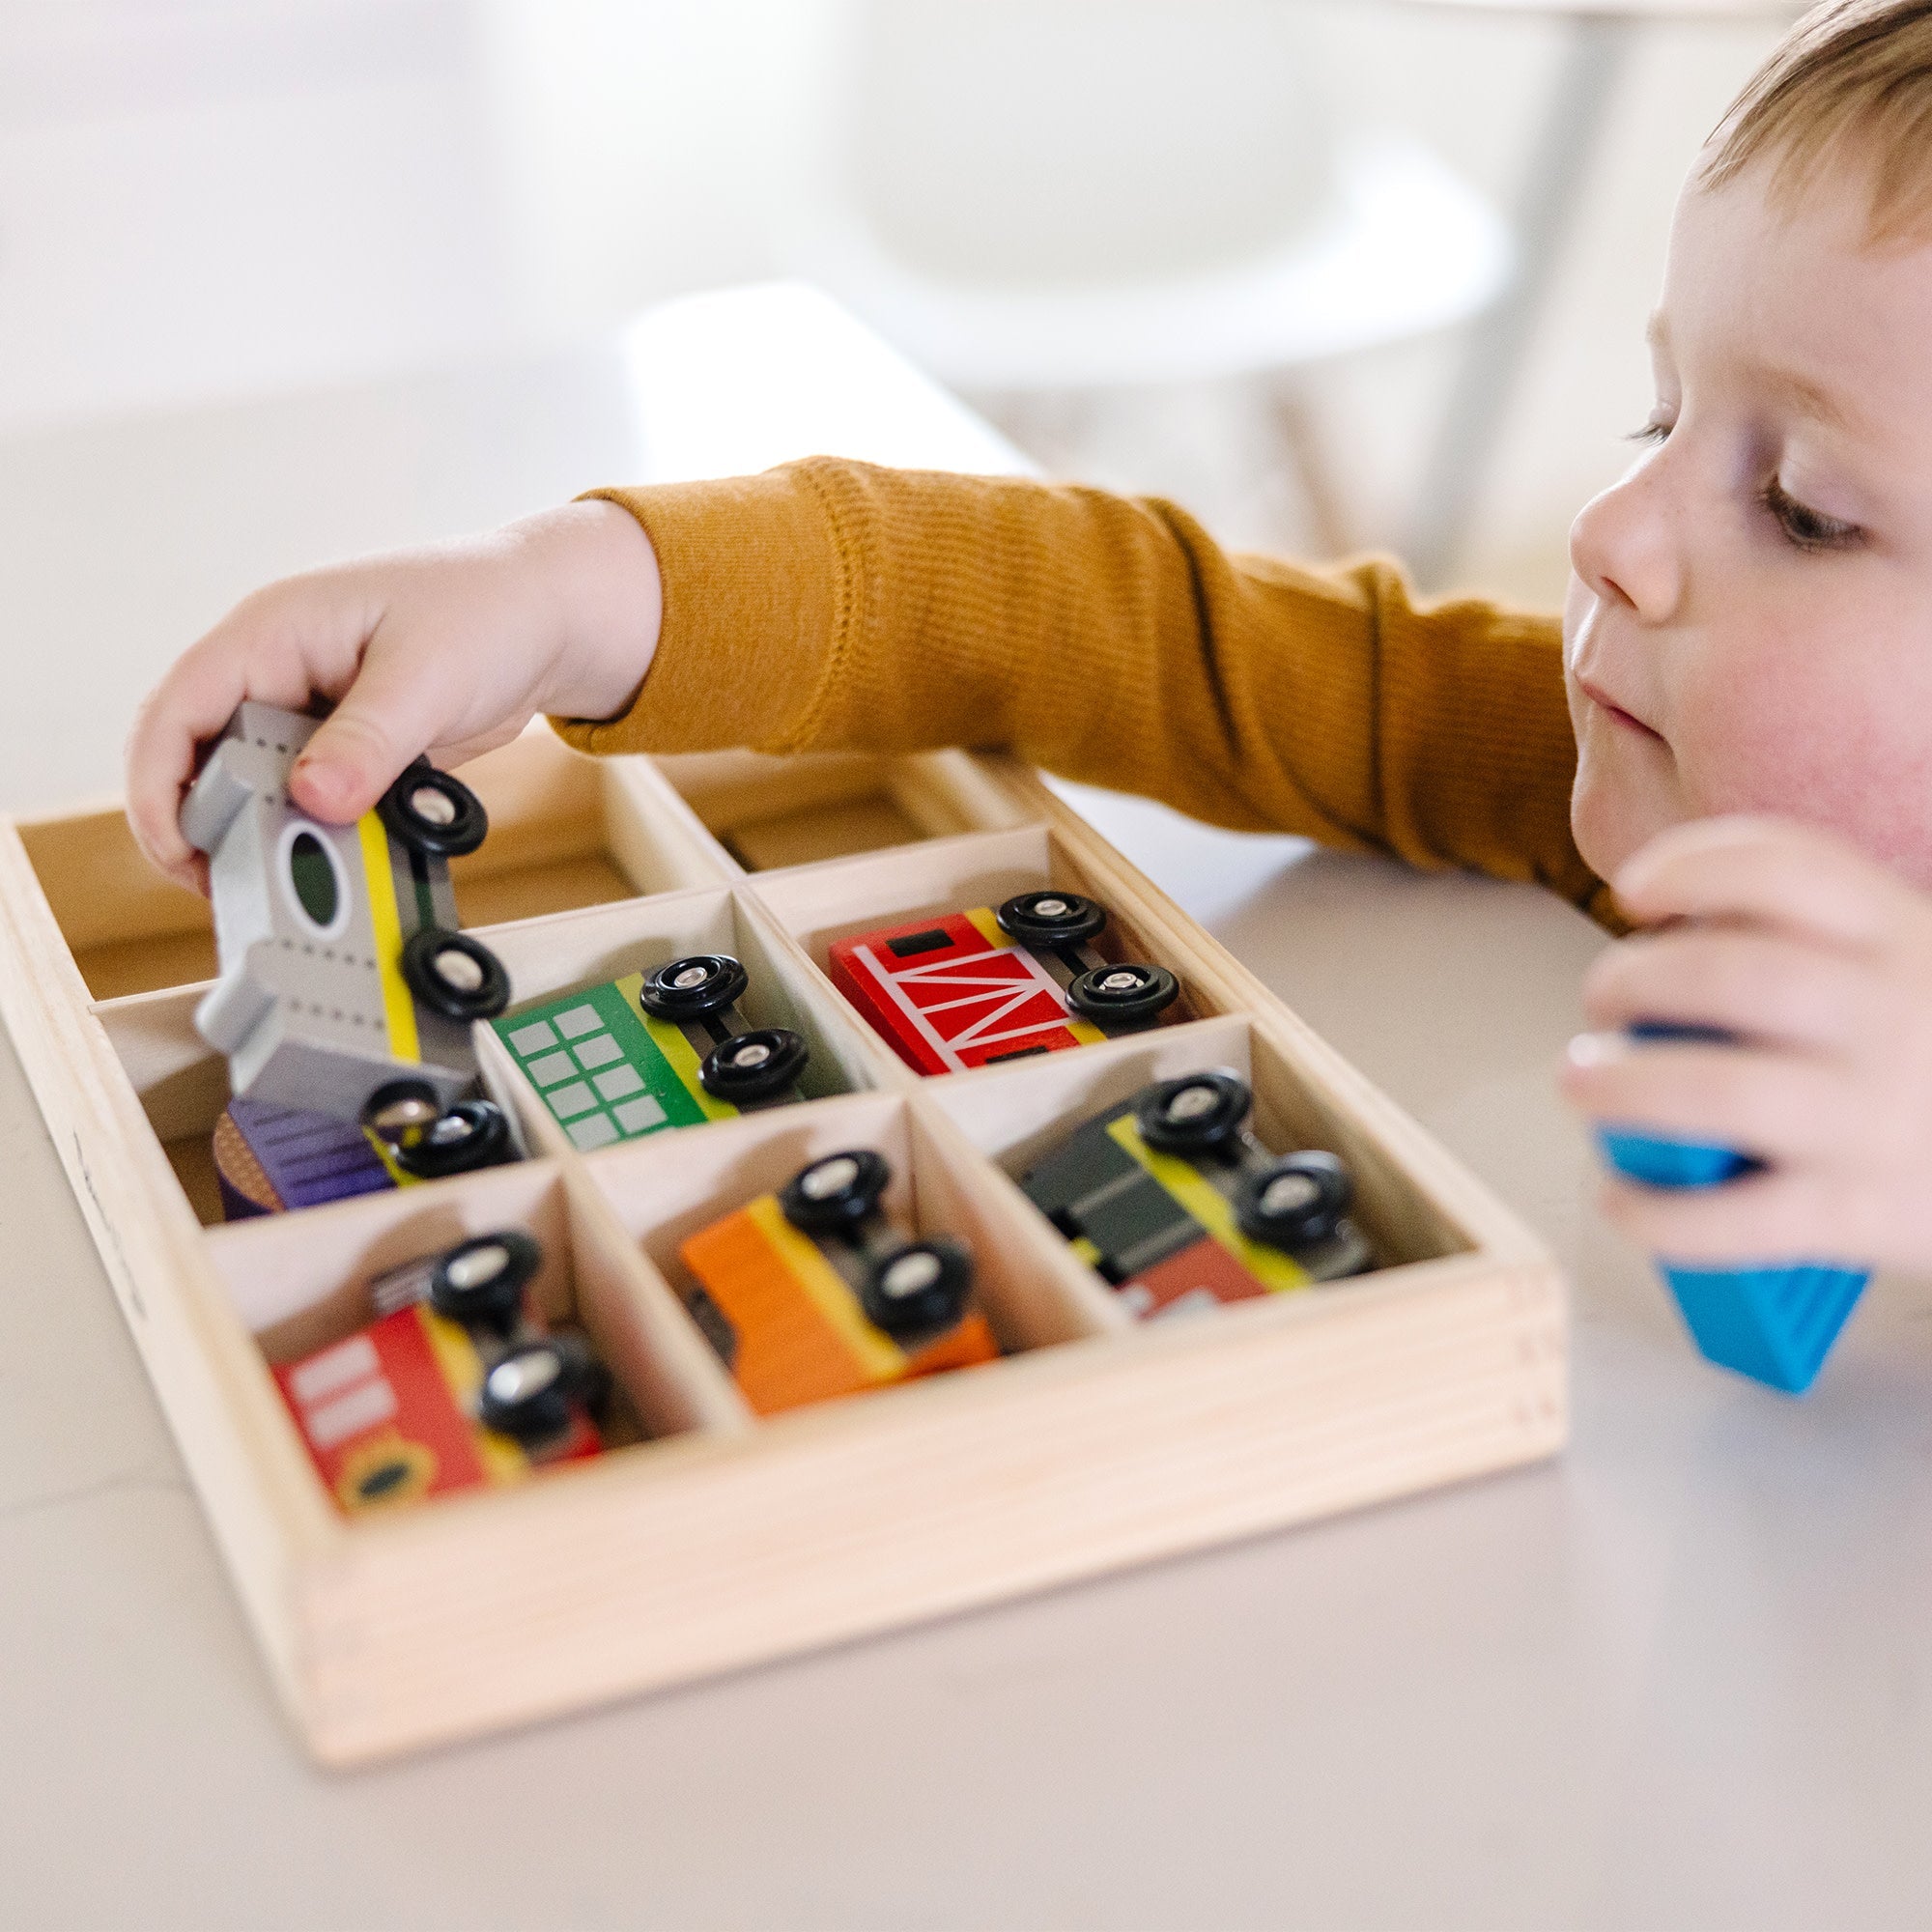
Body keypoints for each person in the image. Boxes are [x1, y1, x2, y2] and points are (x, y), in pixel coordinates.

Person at [125, 0, 1932, 1278]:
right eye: (1656, 416)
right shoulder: (1602, 745)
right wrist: (571, 592)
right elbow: (1098, 615)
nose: (1610, 532)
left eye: (1803, 508)